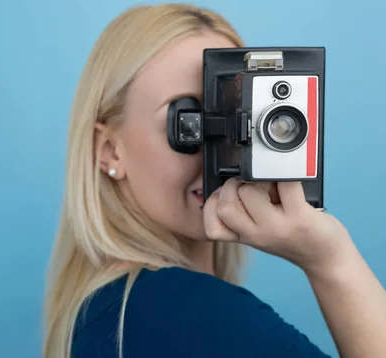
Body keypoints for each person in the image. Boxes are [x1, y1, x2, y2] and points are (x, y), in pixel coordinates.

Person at [42, 3, 386, 358]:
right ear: (110, 150)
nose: (219, 150)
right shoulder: (186, 311)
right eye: (188, 122)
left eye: (233, 110)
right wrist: (332, 261)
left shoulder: (103, 312)